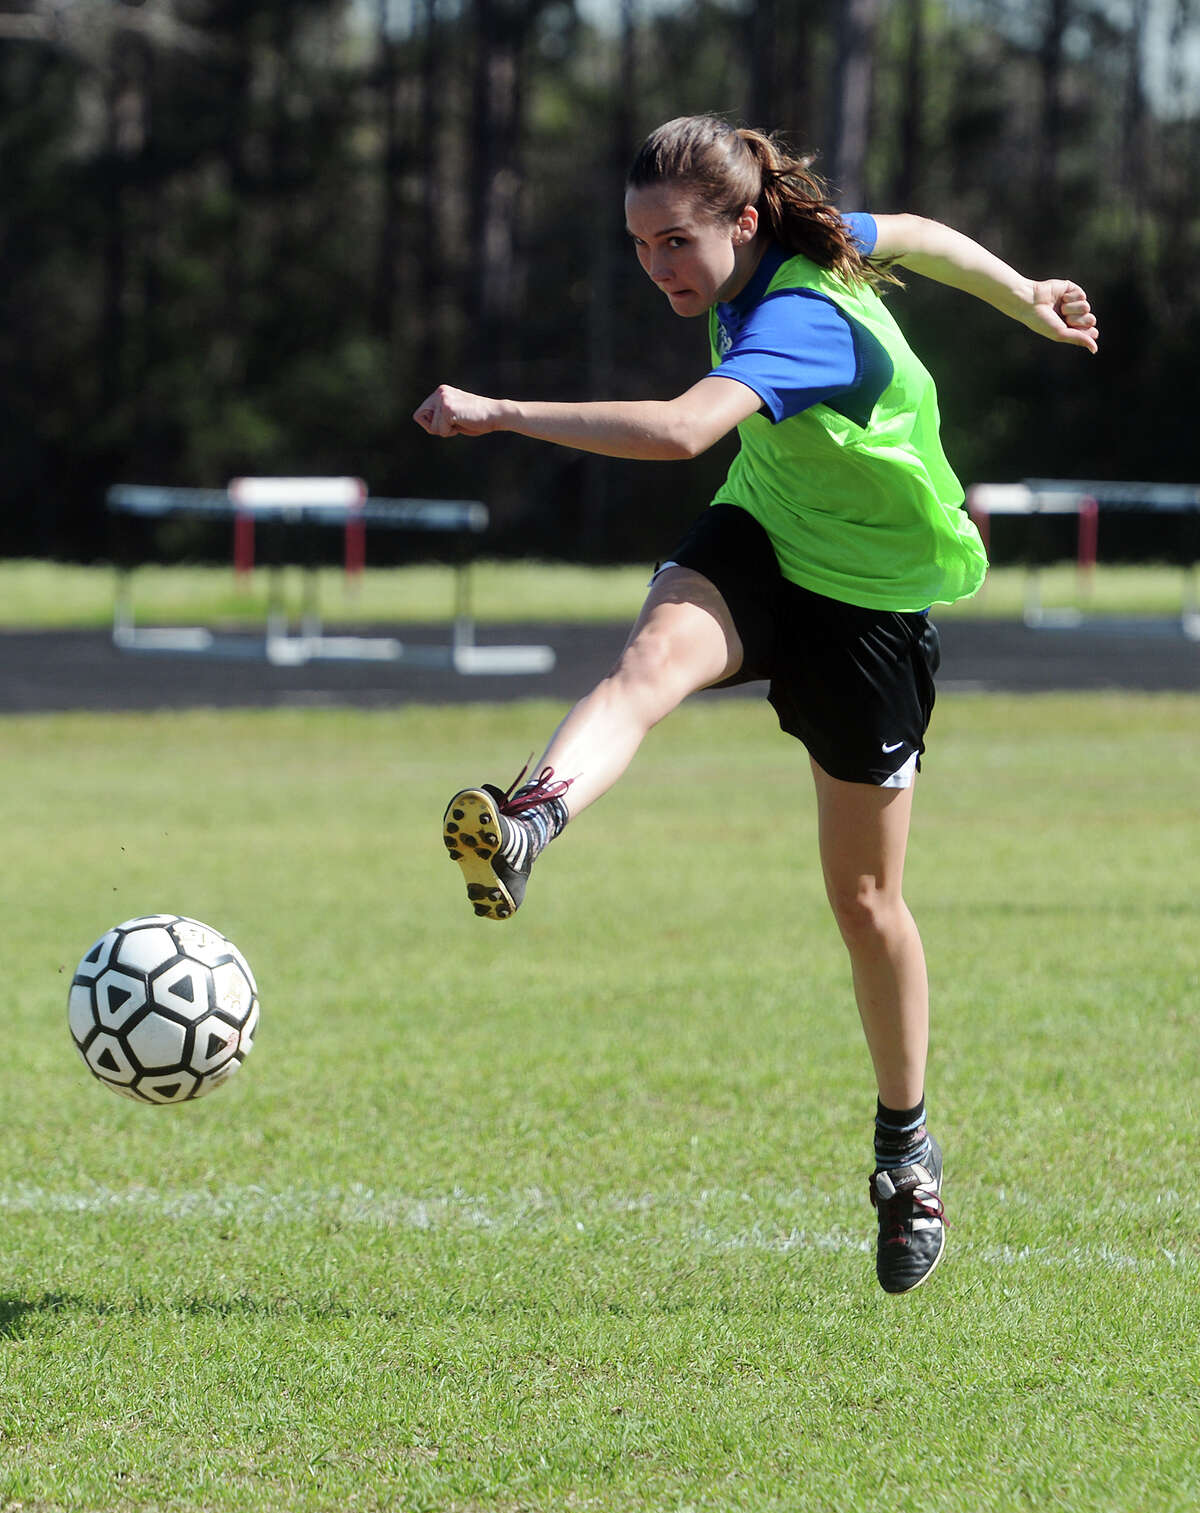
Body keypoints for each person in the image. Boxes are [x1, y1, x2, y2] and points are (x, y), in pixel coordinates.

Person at [414, 114, 1099, 1296]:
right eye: (638, 246)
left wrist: (502, 412)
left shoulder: (800, 317)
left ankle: (907, 1151)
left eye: (675, 242)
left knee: (868, 897)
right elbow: (923, 235)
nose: (658, 267)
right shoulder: (791, 239)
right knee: (647, 666)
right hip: (767, 534)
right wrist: (1020, 289)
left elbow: (686, 430)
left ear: (741, 221)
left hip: (874, 603)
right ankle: (527, 820)